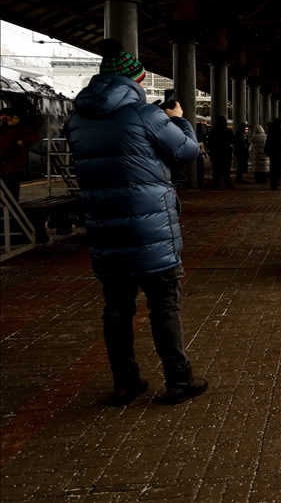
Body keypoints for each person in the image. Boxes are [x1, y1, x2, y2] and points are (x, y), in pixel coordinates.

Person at [65, 39, 207, 406]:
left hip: (105, 229)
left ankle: (125, 382)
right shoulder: (145, 115)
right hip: (151, 230)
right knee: (164, 305)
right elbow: (188, 152)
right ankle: (178, 380)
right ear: (135, 80)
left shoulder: (77, 120)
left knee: (116, 309)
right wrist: (179, 120)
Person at [0, 107, 40, 202]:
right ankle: (10, 204)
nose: (4, 117)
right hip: (3, 163)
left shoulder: (18, 128)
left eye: (7, 115)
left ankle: (13, 203)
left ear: (11, 116)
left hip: (14, 162)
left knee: (12, 184)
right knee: (6, 184)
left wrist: (22, 141)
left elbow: (34, 137)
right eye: (2, 115)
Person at [207, 116, 234, 190]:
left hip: (216, 154)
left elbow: (209, 143)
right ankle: (227, 184)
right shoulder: (228, 131)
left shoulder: (213, 132)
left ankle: (216, 184)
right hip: (226, 154)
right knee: (226, 170)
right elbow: (232, 141)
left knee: (216, 170)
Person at [265, 118, 281, 190]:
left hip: (272, 153)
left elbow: (268, 143)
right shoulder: (280, 131)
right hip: (279, 153)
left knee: (273, 169)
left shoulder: (271, 130)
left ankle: (273, 184)